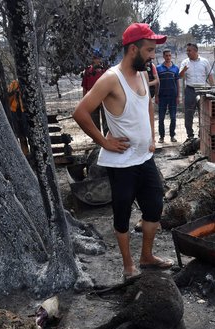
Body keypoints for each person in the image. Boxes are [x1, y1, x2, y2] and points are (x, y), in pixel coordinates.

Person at [72, 23, 173, 281]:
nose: (153, 56)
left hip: (145, 158)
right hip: (122, 164)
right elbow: (80, 113)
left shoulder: (141, 74)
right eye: (149, 50)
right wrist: (104, 143)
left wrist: (151, 136)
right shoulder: (110, 79)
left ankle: (147, 257)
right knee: (122, 214)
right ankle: (129, 266)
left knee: (154, 208)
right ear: (132, 49)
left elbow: (148, 105)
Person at [179, 42, 214, 140]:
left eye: (189, 50)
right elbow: (180, 76)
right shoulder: (185, 62)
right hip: (190, 91)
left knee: (202, 114)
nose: (187, 52)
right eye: (187, 51)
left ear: (195, 51)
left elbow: (210, 76)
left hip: (203, 91)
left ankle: (201, 135)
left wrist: (213, 89)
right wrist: (184, 70)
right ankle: (190, 136)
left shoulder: (204, 61)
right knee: (188, 114)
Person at [81, 49, 108, 134]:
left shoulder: (105, 71)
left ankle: (107, 137)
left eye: (98, 58)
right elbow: (85, 87)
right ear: (92, 59)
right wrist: (84, 101)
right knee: (94, 120)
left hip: (104, 99)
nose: (97, 60)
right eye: (95, 58)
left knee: (106, 120)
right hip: (92, 99)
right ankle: (97, 139)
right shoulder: (88, 71)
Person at [156, 49, 180, 143]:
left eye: (169, 55)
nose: (168, 57)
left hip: (173, 97)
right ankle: (161, 137)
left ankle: (172, 136)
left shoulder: (175, 68)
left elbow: (177, 83)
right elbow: (157, 83)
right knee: (161, 118)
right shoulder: (158, 68)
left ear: (171, 56)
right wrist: (156, 96)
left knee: (173, 117)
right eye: (166, 55)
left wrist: (178, 96)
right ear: (163, 56)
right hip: (162, 97)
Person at [7, 79, 29, 156]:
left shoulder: (26, 85)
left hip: (22, 113)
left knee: (23, 136)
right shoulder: (14, 84)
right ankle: (22, 154)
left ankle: (26, 153)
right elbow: (9, 97)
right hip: (15, 112)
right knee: (18, 135)